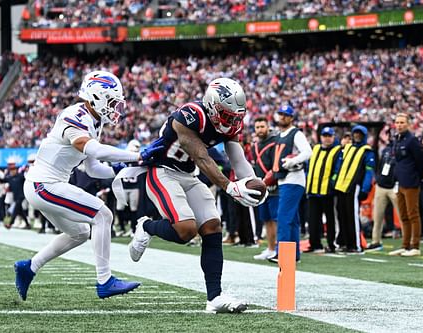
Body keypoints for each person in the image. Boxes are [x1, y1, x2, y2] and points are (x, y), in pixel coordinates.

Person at [13, 70, 163, 301]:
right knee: (103, 215)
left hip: (46, 185)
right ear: (97, 97)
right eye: (112, 102)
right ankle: (105, 281)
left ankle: (29, 267)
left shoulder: (93, 121)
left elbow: (93, 168)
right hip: (44, 185)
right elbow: (93, 149)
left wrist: (124, 168)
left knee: (80, 233)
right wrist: (136, 156)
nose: (115, 108)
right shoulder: (75, 115)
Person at [127, 78, 266, 313]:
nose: (231, 121)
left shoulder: (229, 125)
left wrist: (249, 184)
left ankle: (215, 297)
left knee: (212, 226)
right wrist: (231, 187)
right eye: (227, 114)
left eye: (235, 116)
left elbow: (237, 158)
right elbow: (202, 157)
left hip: (188, 175)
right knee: (186, 231)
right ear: (212, 105)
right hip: (162, 172)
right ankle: (147, 227)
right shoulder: (191, 115)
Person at [267, 105, 312, 263]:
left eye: (286, 115)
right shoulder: (280, 134)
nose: (282, 117)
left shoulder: (296, 133)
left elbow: (307, 151)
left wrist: (293, 160)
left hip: (293, 178)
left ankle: (283, 253)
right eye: (281, 114)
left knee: (284, 216)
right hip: (284, 178)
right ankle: (294, 255)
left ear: (292, 118)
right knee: (292, 219)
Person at [388, 113, 423, 257]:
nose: (399, 125)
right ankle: (405, 245)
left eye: (402, 122)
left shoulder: (412, 140)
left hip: (411, 182)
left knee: (413, 214)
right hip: (400, 182)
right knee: (403, 215)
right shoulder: (397, 139)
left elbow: (420, 161)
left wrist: (419, 178)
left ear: (408, 124)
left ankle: (415, 246)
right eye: (397, 122)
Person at [334, 125, 375, 254]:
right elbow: (339, 166)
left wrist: (365, 188)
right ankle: (345, 242)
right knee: (342, 215)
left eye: (359, 134)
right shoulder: (348, 148)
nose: (357, 136)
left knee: (352, 216)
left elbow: (369, 171)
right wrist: (335, 182)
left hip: (354, 186)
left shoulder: (367, 151)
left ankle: (356, 244)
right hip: (341, 186)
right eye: (355, 133)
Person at [305, 127, 341, 253]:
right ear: (320, 137)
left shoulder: (337, 151)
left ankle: (332, 244)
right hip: (313, 191)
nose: (326, 138)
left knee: (331, 220)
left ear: (333, 137)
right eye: (324, 136)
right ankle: (314, 244)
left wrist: (332, 183)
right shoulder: (315, 149)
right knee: (313, 219)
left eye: (329, 136)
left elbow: (338, 170)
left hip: (328, 192)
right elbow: (309, 167)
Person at [251, 117, 279, 260]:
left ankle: (278, 249)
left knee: (275, 219)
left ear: (268, 127)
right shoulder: (254, 146)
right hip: (262, 188)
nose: (260, 130)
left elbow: (276, 165)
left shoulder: (275, 142)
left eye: (262, 126)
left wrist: (269, 179)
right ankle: (270, 248)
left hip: (275, 187)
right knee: (266, 219)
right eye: (257, 127)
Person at [366, 137, 399, 252]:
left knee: (402, 215)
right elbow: (380, 165)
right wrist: (379, 179)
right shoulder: (386, 151)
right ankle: (376, 241)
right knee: (377, 216)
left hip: (395, 186)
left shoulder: (402, 151)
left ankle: (408, 242)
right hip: (381, 186)